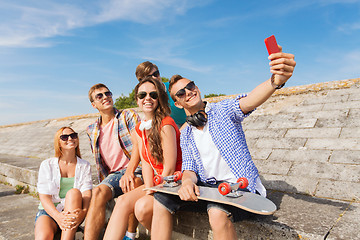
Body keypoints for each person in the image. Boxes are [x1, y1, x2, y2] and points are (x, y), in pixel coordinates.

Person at [151, 46, 296, 240]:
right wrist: (186, 182)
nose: (188, 92)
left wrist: (275, 82)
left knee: (216, 211)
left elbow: (249, 100)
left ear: (197, 88)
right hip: (209, 189)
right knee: (160, 199)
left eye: (191, 86)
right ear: (177, 103)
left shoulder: (223, 111)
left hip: (239, 187)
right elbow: (189, 169)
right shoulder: (185, 133)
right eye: (181, 93)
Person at [103, 77, 182, 240]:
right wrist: (148, 187)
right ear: (137, 100)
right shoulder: (140, 127)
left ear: (159, 98)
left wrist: (152, 191)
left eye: (153, 94)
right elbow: (145, 162)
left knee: (141, 207)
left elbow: (169, 166)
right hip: (156, 181)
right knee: (123, 201)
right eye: (142, 95)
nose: (148, 98)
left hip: (173, 181)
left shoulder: (166, 123)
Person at [84, 83, 142, 240]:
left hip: (136, 168)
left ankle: (130, 236)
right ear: (93, 104)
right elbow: (100, 160)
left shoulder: (128, 116)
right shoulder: (92, 130)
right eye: (99, 96)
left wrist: (129, 171)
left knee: (131, 183)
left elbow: (139, 146)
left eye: (107, 93)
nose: (105, 97)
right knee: (97, 192)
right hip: (114, 174)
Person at [35, 127, 92, 240]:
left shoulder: (85, 165)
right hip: (49, 212)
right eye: (64, 137)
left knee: (74, 193)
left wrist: (83, 212)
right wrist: (58, 217)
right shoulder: (47, 165)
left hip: (73, 211)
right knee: (43, 237)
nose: (70, 138)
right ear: (58, 142)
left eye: (73, 135)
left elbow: (87, 193)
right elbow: (44, 197)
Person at [135, 61, 187, 128]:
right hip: (170, 128)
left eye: (156, 74)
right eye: (149, 77)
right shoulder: (149, 99)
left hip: (189, 123)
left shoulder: (173, 87)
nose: (154, 77)